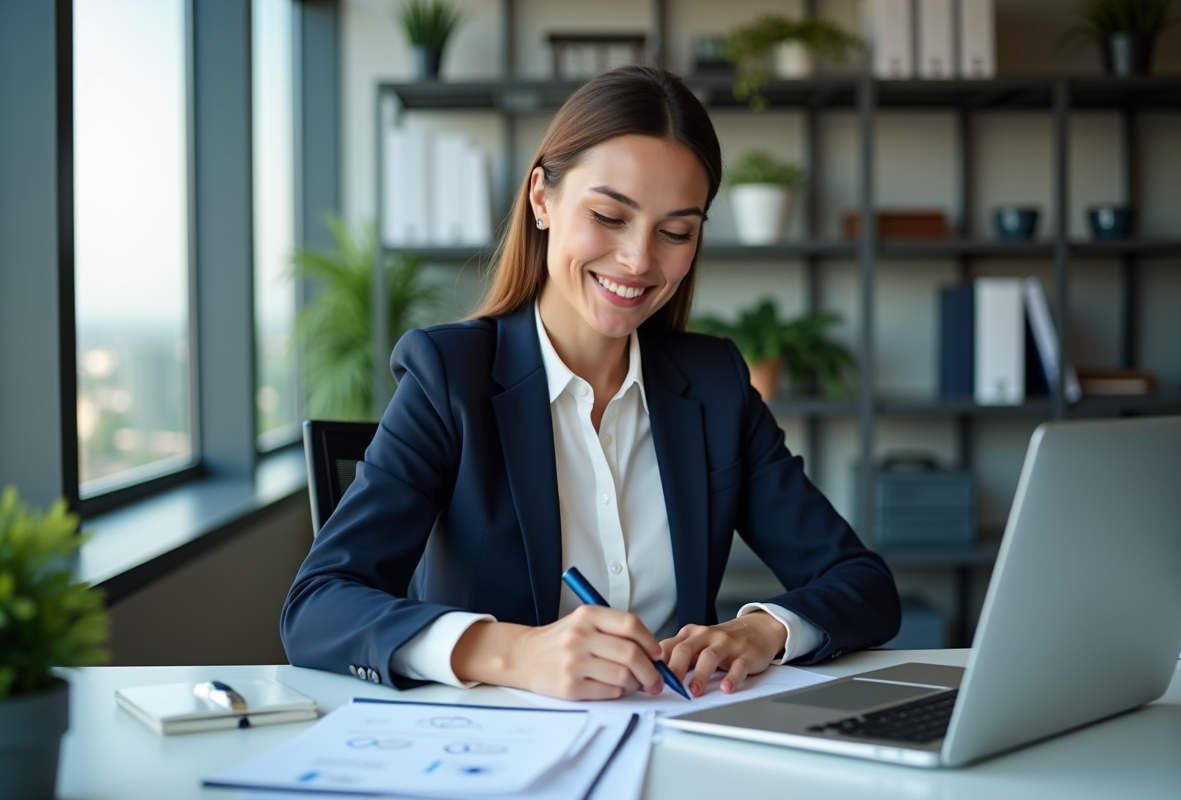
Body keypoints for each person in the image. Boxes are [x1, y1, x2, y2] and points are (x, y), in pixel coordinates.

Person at [281, 65, 900, 702]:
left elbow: (861, 583)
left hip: (671, 739)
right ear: (542, 199)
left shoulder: (712, 384)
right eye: (609, 216)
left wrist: (765, 630)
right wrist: (516, 651)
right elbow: (318, 607)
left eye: (676, 231)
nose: (638, 260)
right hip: (494, 753)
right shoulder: (450, 377)